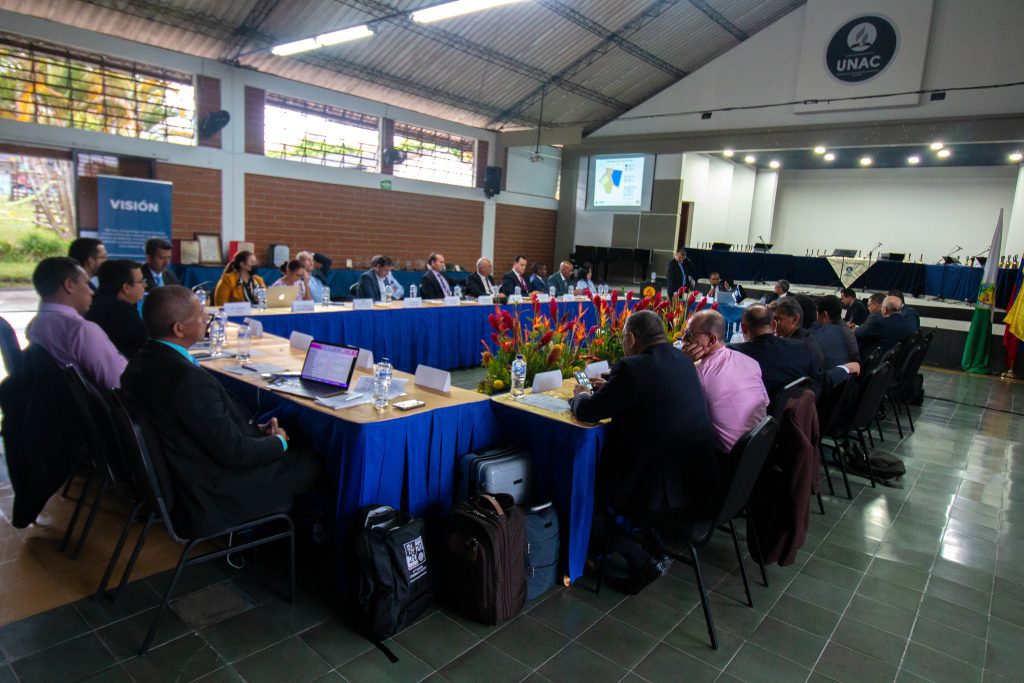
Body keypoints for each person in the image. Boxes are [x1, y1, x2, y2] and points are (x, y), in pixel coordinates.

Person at [121, 286, 320, 537]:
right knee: (310, 461)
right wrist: (278, 442)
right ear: (179, 328)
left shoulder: (139, 363)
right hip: (210, 495)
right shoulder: (186, 378)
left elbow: (193, 426)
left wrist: (255, 431)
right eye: (201, 312)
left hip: (183, 475)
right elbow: (235, 453)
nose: (207, 317)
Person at [570, 310, 716, 594]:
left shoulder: (632, 368)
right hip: (693, 478)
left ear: (631, 338)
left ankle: (640, 555)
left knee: (588, 481)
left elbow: (589, 412)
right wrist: (613, 386)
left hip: (655, 488)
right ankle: (643, 548)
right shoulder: (684, 361)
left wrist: (580, 396)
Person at [26, 257, 126, 389]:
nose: (91, 291)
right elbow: (119, 383)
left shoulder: (34, 326)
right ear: (69, 285)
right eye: (86, 284)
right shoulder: (81, 330)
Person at [681, 310, 769, 454]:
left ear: (712, 340)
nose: (684, 339)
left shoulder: (697, 373)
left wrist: (682, 363)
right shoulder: (750, 362)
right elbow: (764, 403)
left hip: (725, 459)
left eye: (690, 334)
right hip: (758, 450)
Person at [730, 305, 858, 401]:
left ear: (743, 328)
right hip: (784, 425)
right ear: (774, 325)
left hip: (749, 425)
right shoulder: (799, 347)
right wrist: (845, 369)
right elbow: (822, 380)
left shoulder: (733, 354)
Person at [85, 259, 148, 359]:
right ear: (126, 287)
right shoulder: (121, 312)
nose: (145, 285)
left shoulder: (96, 302)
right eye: (141, 281)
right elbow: (148, 342)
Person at [769, 297, 825, 368]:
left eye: (777, 319)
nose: (773, 324)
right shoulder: (805, 338)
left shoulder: (794, 348)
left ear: (795, 319)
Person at [813, 295, 860, 368]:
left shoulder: (829, 334)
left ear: (825, 314)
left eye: (817, 313)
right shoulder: (844, 328)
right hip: (850, 373)